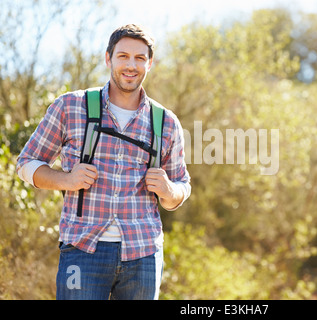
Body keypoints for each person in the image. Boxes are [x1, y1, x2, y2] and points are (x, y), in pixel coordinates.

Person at [16, 24, 191, 300]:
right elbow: (26, 164)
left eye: (139, 58)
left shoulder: (166, 122)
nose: (131, 65)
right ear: (108, 58)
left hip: (144, 254)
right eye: (123, 56)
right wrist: (67, 179)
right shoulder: (70, 106)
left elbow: (181, 187)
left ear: (150, 63)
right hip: (83, 250)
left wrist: (169, 190)